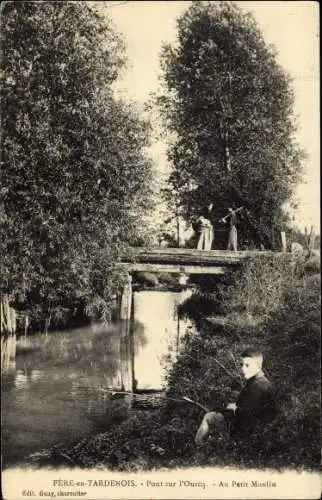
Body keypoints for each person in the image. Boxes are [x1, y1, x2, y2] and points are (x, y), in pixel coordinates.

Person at [195, 348, 277, 444]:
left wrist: (234, 408)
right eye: (241, 365)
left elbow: (246, 414)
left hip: (250, 431)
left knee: (209, 417)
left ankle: (198, 446)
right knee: (219, 415)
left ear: (258, 366)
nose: (243, 369)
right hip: (257, 428)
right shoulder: (260, 381)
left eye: (247, 365)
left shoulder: (257, 386)